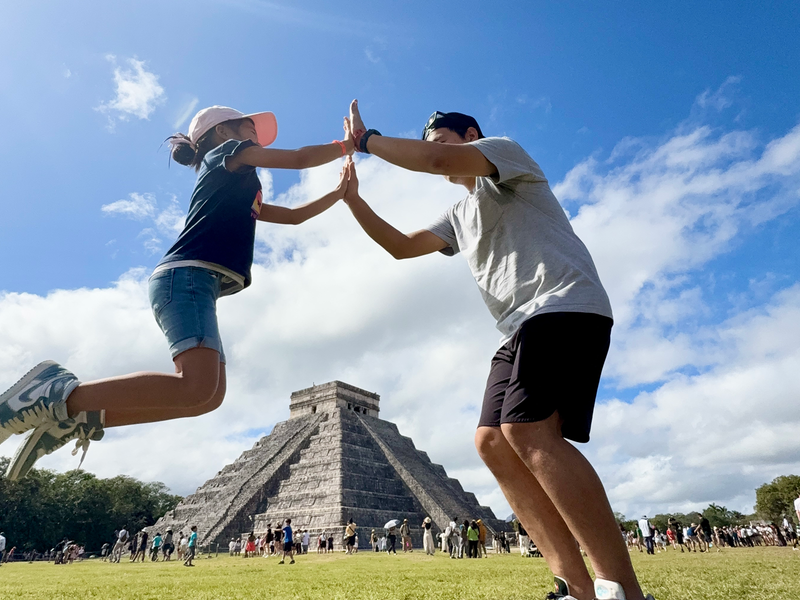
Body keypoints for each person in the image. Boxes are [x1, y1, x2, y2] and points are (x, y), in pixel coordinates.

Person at [341, 100, 654, 600]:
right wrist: (352, 200)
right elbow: (401, 246)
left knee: (526, 429)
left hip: (563, 304)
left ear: (470, 136)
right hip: (517, 329)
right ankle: (576, 588)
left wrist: (367, 141)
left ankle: (625, 591)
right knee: (491, 441)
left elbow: (438, 162)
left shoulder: (505, 156)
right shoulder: (458, 212)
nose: (433, 152)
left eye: (439, 140)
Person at [0, 106, 355, 479]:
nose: (257, 139)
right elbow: (299, 159)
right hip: (185, 278)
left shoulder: (241, 185)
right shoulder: (226, 155)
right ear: (222, 133)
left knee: (208, 397)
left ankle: (81, 415)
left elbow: (294, 216)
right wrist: (351, 144)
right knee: (196, 385)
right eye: (250, 130)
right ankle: (53, 392)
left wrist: (339, 194)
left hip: (198, 284)